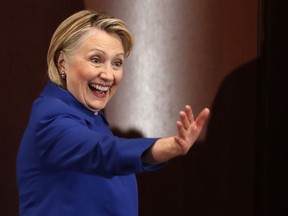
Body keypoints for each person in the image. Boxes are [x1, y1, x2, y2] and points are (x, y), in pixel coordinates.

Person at [16, 10, 210, 216]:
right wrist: (165, 146)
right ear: (62, 63)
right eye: (96, 59)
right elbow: (101, 152)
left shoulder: (93, 118)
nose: (108, 75)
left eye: (116, 63)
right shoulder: (50, 117)